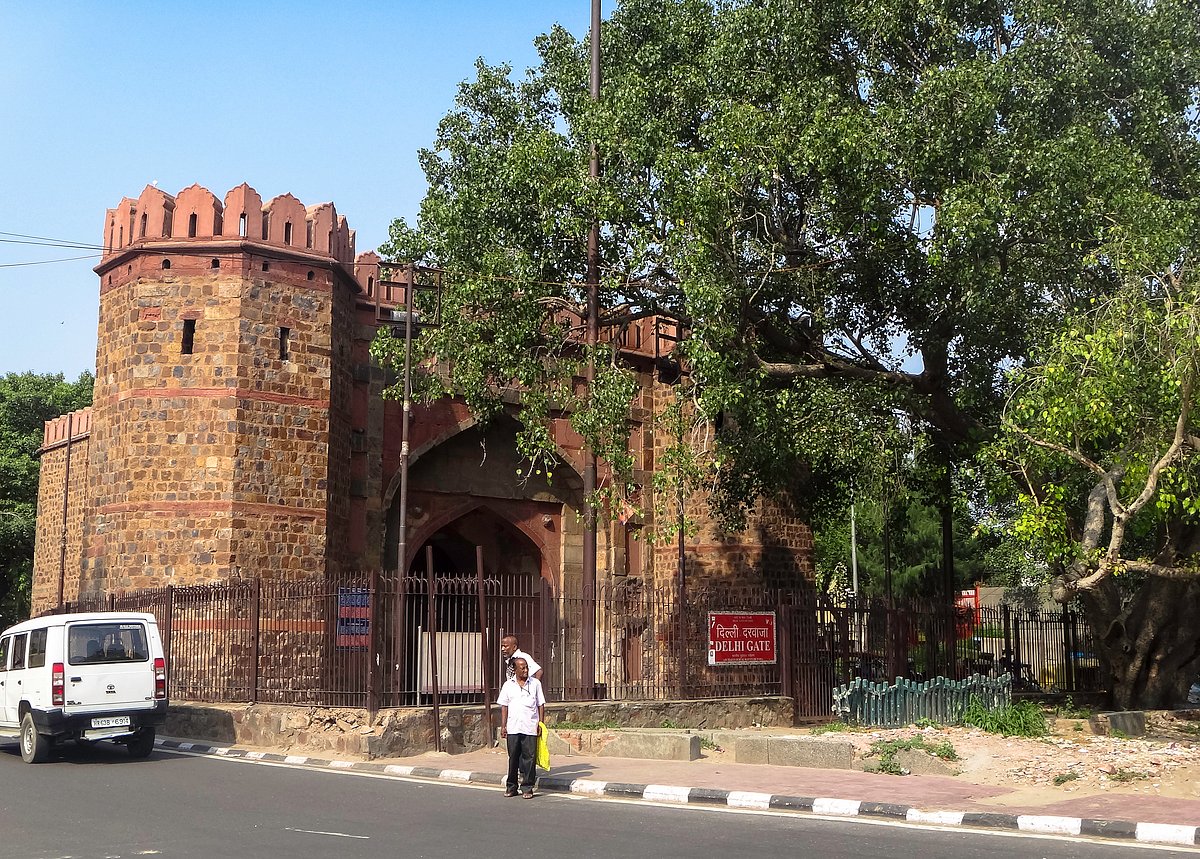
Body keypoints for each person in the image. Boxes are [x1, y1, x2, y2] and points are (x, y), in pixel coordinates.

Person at [497, 657, 545, 799]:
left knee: (529, 758)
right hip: (513, 727)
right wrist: (503, 725)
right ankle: (511, 787)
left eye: (526, 667)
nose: (525, 670)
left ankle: (528, 787)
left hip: (530, 726)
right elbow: (504, 706)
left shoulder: (535, 684)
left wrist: (540, 723)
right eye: (522, 668)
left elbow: (541, 704)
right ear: (515, 669)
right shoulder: (508, 685)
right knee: (513, 758)